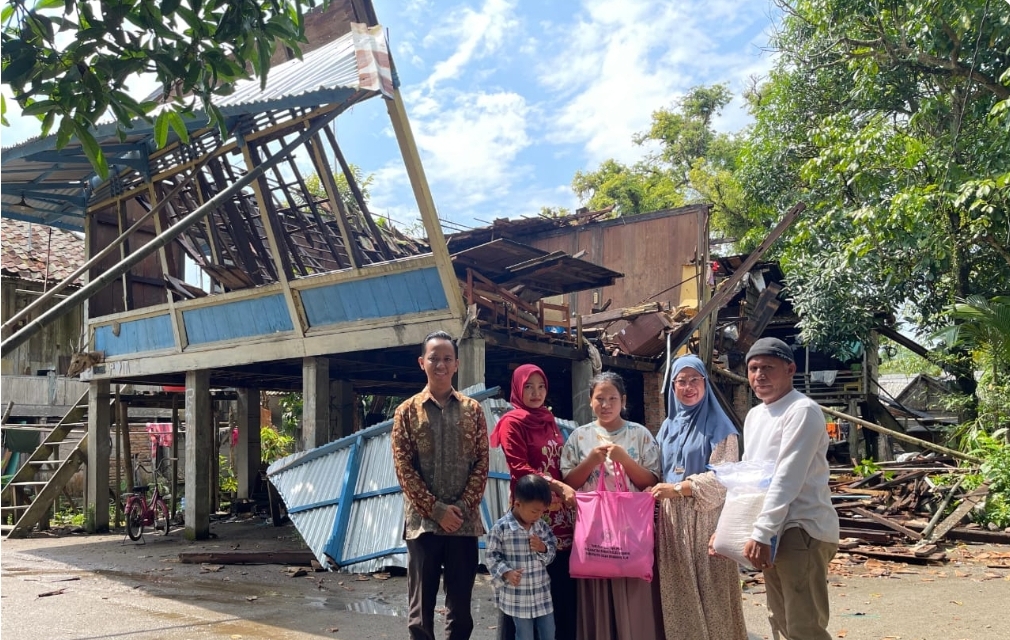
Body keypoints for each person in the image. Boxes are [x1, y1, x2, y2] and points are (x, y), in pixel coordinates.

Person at [391, 331, 490, 640]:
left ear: (457, 364)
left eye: (447, 359)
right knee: (420, 613)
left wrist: (458, 509)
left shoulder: (473, 410)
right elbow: (404, 469)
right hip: (423, 526)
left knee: (460, 612)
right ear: (422, 362)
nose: (441, 365)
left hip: (464, 524)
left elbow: (481, 464)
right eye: (434, 358)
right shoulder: (406, 412)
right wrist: (436, 510)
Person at [740, 337, 839, 640]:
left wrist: (761, 531)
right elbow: (748, 475)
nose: (760, 376)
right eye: (753, 368)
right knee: (779, 619)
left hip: (801, 528)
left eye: (768, 367)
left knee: (804, 626)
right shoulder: (756, 415)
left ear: (790, 369)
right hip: (773, 531)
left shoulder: (802, 410)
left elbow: (788, 477)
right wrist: (739, 528)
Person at [648, 355, 747, 640]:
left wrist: (678, 489)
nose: (688, 387)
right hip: (671, 523)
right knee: (678, 594)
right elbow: (660, 471)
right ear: (673, 386)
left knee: (712, 593)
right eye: (681, 381)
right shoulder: (667, 427)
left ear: (705, 383)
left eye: (695, 380)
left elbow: (724, 477)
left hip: (706, 520)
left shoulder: (721, 427)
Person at [560, 371, 663, 640]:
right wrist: (591, 461)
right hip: (594, 532)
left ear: (623, 400)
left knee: (633, 591)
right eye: (599, 398)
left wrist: (624, 460)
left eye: (612, 398)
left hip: (632, 533)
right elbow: (569, 482)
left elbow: (650, 482)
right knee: (597, 592)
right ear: (590, 401)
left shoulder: (639, 435)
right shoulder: (579, 437)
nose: (605, 405)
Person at [489, 364, 577, 640]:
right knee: (521, 586)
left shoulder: (548, 420)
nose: (536, 392)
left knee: (556, 586)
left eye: (540, 386)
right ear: (517, 388)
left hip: (558, 517)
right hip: (529, 514)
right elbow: (519, 467)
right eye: (528, 386)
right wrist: (555, 487)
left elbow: (559, 463)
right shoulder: (512, 422)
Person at [486, 474, 559, 640]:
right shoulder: (501, 528)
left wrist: (543, 547)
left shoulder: (541, 526)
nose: (538, 515)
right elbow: (491, 556)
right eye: (534, 511)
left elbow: (552, 549)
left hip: (542, 596)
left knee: (549, 633)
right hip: (518, 598)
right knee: (524, 635)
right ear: (517, 504)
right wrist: (506, 573)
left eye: (541, 511)